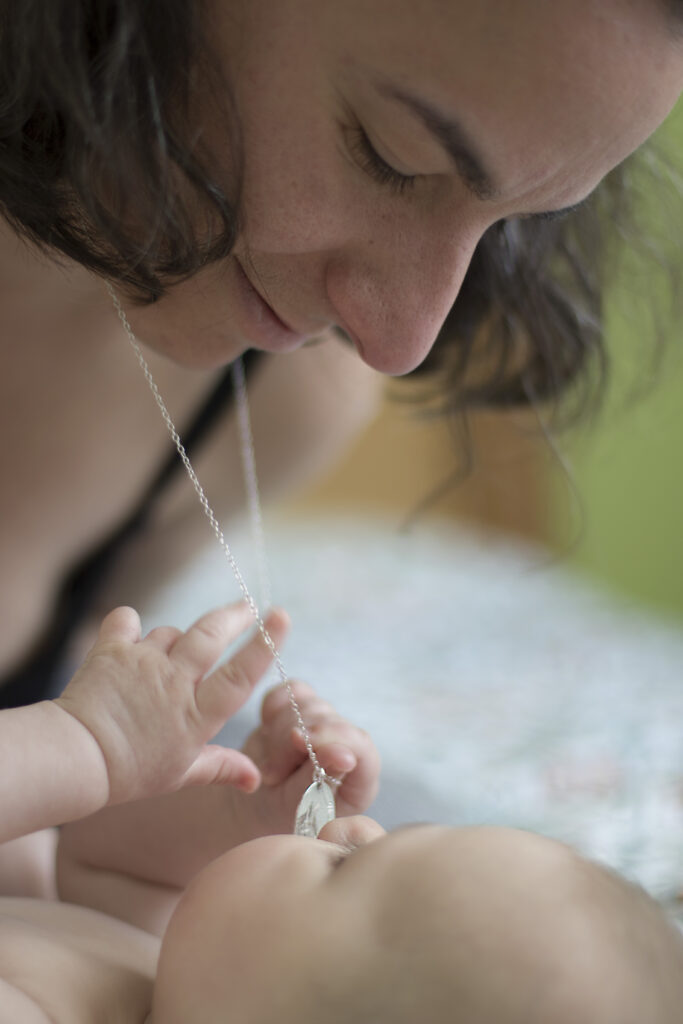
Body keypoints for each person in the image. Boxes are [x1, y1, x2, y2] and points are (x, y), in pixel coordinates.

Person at [0, 0, 681, 915]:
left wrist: (207, 830)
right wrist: (83, 756)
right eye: (392, 156)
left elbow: (37, 858)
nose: (400, 338)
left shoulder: (277, 392)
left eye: (506, 222)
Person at [1, 601, 682, 1024]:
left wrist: (87, 747)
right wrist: (239, 818)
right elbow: (97, 859)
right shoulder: (170, 980)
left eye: (349, 866)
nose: (357, 826)